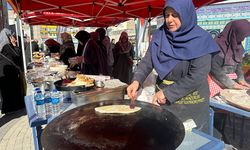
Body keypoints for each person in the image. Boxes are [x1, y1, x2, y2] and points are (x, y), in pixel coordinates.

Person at [126, 0, 219, 133]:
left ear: (186, 15)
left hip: (190, 105)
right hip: (163, 101)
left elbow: (197, 76)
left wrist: (168, 93)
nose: (169, 19)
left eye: (175, 15)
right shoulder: (160, 35)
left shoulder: (202, 40)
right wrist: (137, 80)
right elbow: (147, 61)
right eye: (167, 14)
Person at [210, 19, 250, 92]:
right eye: (242, 35)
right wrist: (232, 84)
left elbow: (238, 64)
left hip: (230, 80)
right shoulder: (217, 45)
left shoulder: (238, 46)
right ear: (235, 33)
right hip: (215, 80)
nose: (243, 38)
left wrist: (241, 79)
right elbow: (214, 69)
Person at [0, 28, 26, 114]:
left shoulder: (2, 45)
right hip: (9, 72)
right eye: (12, 36)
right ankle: (12, 108)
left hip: (4, 72)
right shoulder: (6, 45)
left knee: (7, 91)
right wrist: (14, 45)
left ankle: (9, 109)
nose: (14, 37)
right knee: (11, 90)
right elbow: (17, 54)